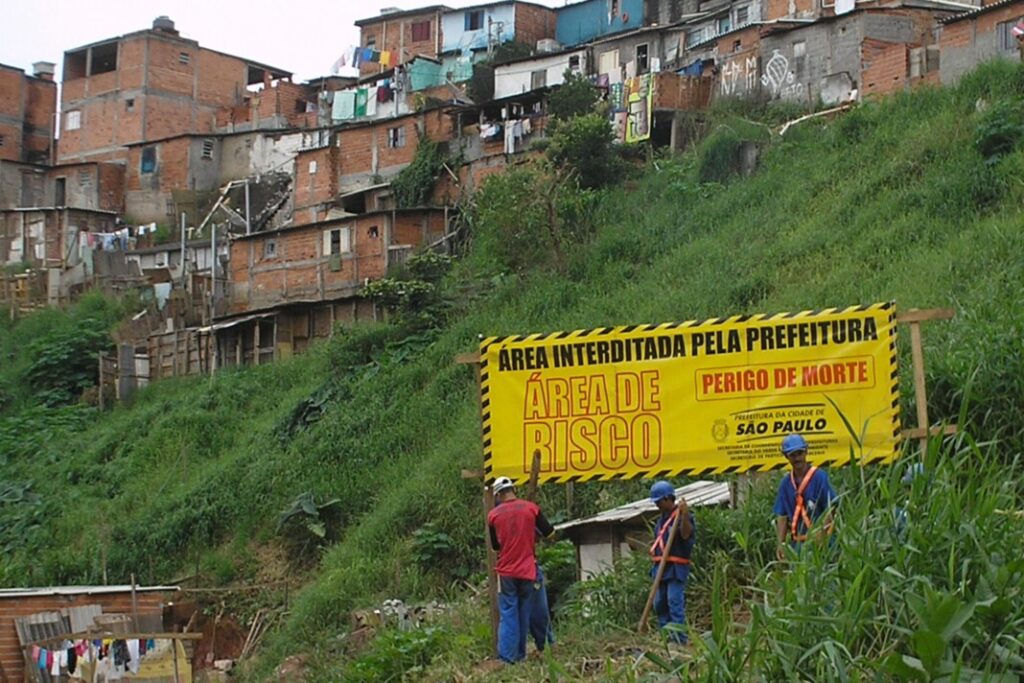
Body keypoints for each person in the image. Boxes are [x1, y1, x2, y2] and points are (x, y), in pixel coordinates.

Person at [487, 477, 555, 663]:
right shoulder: (531, 508)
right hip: (528, 570)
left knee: (509, 613)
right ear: (513, 489)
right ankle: (546, 647)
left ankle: (510, 657)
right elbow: (550, 532)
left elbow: (495, 546)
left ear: (498, 494)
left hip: (507, 573)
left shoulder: (493, 516)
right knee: (534, 610)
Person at [648, 480, 696, 644]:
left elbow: (685, 535)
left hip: (675, 567)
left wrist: (684, 515)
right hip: (660, 567)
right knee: (659, 603)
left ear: (668, 499)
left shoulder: (682, 517)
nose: (657, 505)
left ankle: (679, 639)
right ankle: (666, 636)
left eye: (659, 501)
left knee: (674, 601)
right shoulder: (661, 520)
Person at [774, 433, 836, 560]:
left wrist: (821, 535)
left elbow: (831, 507)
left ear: (806, 452)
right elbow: (782, 516)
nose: (797, 459)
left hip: (822, 542)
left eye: (800, 453)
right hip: (798, 544)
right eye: (793, 455)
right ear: (786, 456)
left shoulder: (819, 477)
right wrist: (781, 544)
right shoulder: (786, 484)